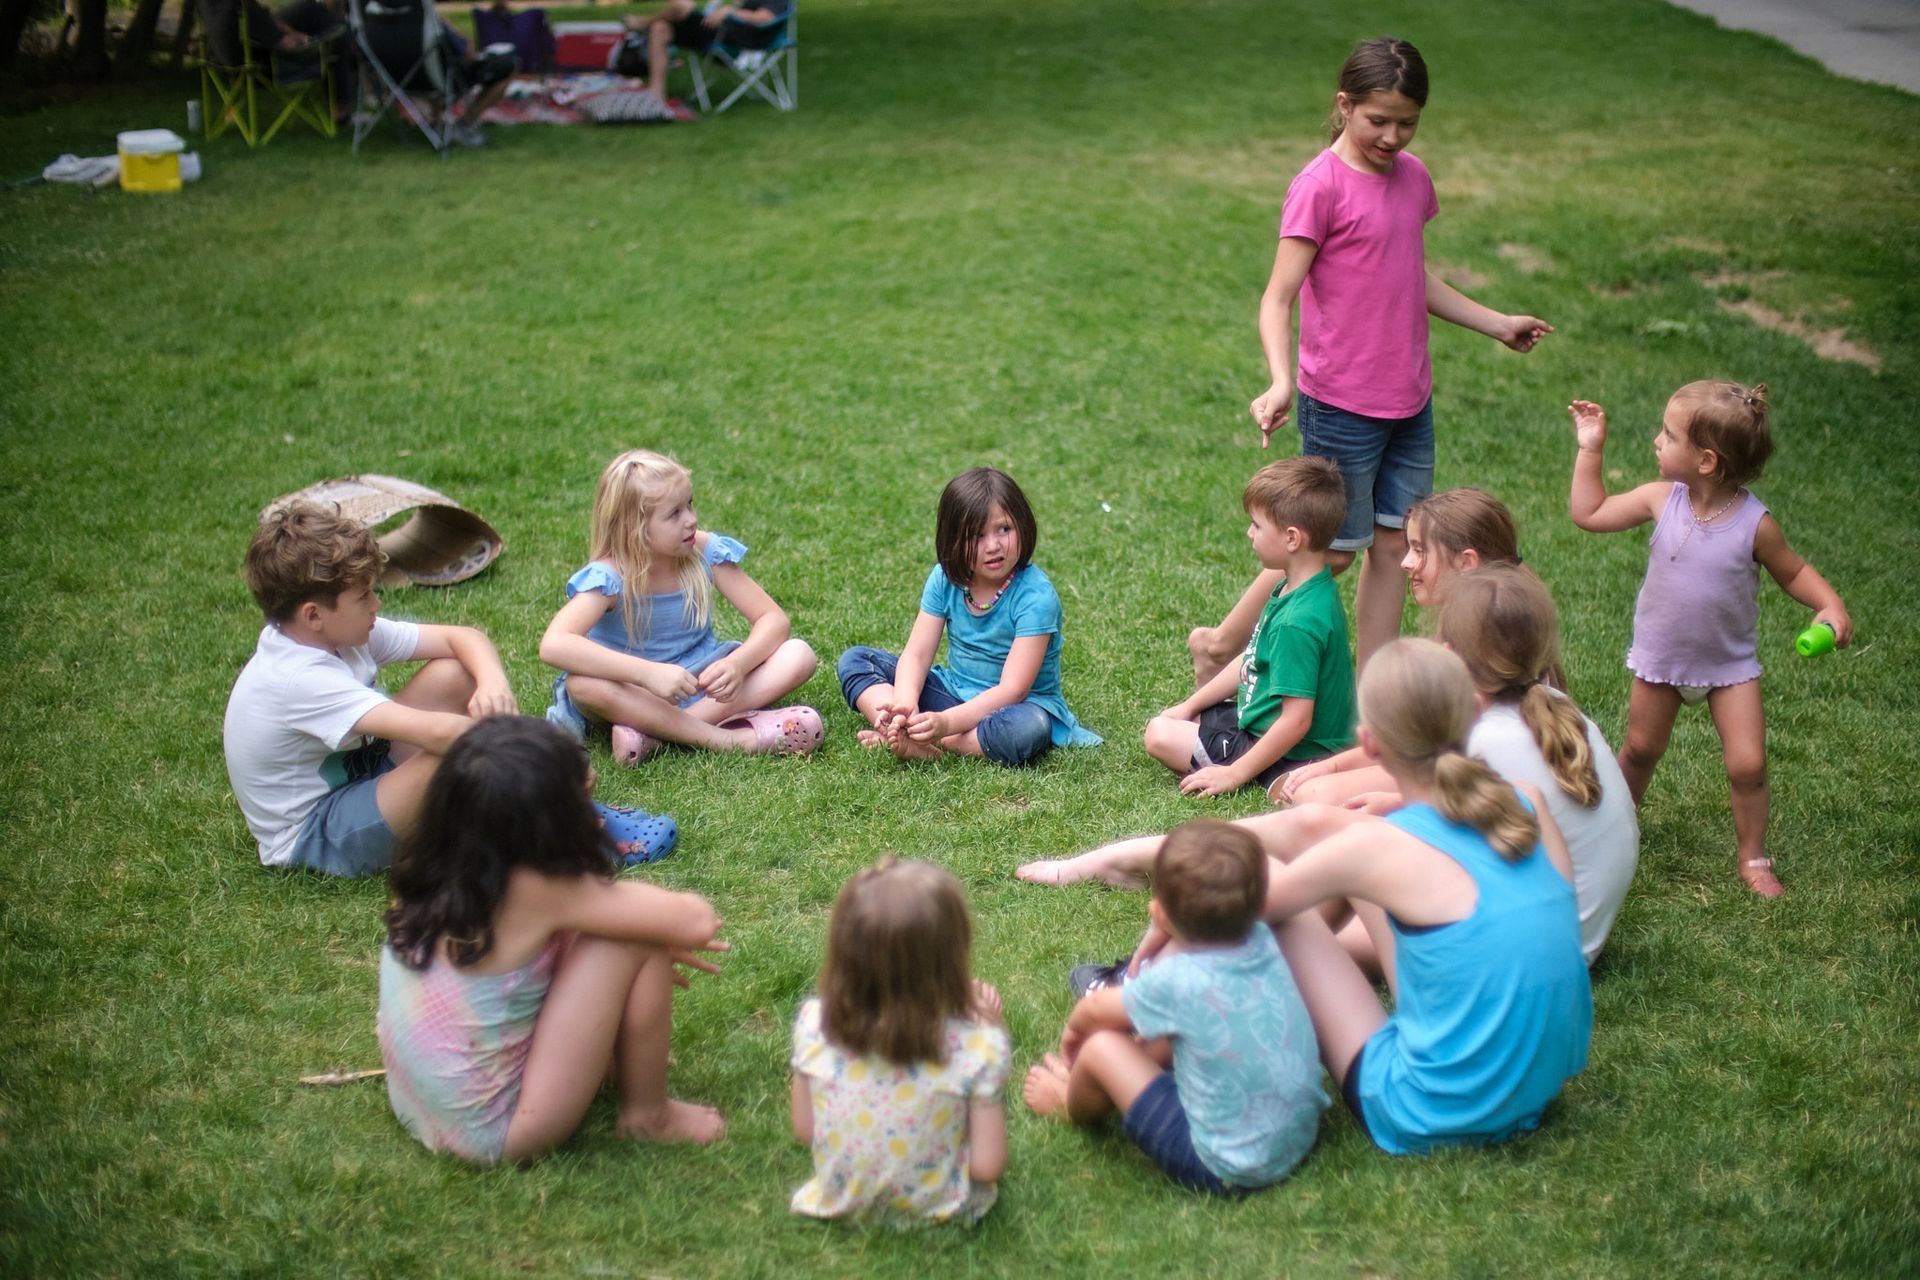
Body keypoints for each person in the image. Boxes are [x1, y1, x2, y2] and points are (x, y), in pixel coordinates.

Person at [1022, 566, 1636, 967]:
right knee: (1333, 830)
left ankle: (1147, 921)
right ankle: (1131, 857)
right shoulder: (1545, 706)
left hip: (1509, 951)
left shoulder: (1490, 738)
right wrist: (1391, 807)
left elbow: (1433, 833)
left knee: (1302, 919)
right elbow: (1480, 812)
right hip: (1555, 942)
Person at [1247, 37, 1552, 673]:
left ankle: (1375, 700)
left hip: (1410, 403)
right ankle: (1227, 646)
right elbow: (1278, 298)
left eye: (1406, 123)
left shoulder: (1413, 179)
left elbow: (1409, 274)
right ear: (1344, 105)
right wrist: (1280, 383)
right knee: (1328, 555)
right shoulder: (1319, 186)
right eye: (1377, 121)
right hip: (1340, 405)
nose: (1392, 136)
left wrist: (1495, 324)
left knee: (1396, 549)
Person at [1249, 639, 1591, 1155]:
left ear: (1370, 744)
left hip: (1426, 1112)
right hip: (1535, 1093)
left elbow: (1245, 904)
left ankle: (1153, 1002)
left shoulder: (1380, 845)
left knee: (1270, 896)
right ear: (1475, 714)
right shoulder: (1529, 804)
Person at [224, 501, 674, 877]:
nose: (377, 604)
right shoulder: (298, 679)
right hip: (318, 833)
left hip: (365, 773)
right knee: (460, 758)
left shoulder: (334, 633)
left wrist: (493, 683)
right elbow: (438, 735)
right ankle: (571, 833)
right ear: (313, 615)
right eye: (364, 597)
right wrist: (547, 758)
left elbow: (465, 639)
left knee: (456, 673)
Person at [377, 717, 727, 1165]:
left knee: (613, 926)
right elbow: (694, 919)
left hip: (419, 1103)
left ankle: (613, 1064)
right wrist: (649, 928)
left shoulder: (432, 870)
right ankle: (649, 1116)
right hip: (498, 1132)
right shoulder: (536, 890)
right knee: (633, 938)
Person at [1568, 382, 1851, 897]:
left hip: (1729, 667)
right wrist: (1591, 449)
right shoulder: (1661, 500)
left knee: (1748, 764)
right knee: (1639, 749)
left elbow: (1793, 572)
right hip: (1662, 659)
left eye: (1668, 435)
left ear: (1705, 461)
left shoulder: (1755, 524)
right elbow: (1590, 514)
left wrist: (1828, 606)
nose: (1656, 440)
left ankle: (1753, 857)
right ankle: (1612, 830)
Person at [1022, 820, 1326, 1195]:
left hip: (1226, 1166)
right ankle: (1132, 1076)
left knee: (1102, 1047)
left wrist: (1074, 1039)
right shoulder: (1262, 939)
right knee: (1179, 1029)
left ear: (1159, 914)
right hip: (1297, 1133)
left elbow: (1097, 1009)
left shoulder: (1180, 981)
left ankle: (1070, 1105)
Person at [542, 449, 822, 765]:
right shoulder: (610, 576)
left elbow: (772, 619)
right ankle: (729, 740)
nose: (691, 519)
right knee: (583, 684)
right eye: (674, 514)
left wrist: (738, 665)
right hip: (635, 693)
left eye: (689, 504)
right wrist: (647, 675)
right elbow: (554, 645)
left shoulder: (702, 551)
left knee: (799, 654)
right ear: (635, 528)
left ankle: (655, 736)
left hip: (703, 683)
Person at [789, 858, 1010, 1226]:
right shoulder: (978, 1047)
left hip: (841, 1200)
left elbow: (805, 1129)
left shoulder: (816, 1024)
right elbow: (987, 1166)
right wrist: (990, 1025)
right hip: (943, 1209)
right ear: (952, 961)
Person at [835, 467, 1101, 766]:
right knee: (856, 660)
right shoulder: (945, 579)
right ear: (952, 541)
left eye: (1004, 529)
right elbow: (918, 655)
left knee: (1029, 730)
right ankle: (900, 726)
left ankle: (931, 740)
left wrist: (945, 724)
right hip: (953, 692)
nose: (993, 545)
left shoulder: (1036, 596)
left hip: (1014, 706)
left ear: (1023, 526)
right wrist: (905, 703)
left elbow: (1013, 689)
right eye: (977, 535)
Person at [1276, 486, 1521, 808]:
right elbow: (1416, 742)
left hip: (1475, 784)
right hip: (1458, 772)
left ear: (1466, 562)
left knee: (1314, 794)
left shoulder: (1484, 638)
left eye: (1420, 550)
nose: (1406, 562)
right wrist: (1331, 765)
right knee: (1311, 785)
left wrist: (1393, 800)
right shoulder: (1481, 617)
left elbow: (1450, 758)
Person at [1145, 457, 1354, 797]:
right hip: (1256, 722)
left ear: (1291, 539)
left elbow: (1296, 721)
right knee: (1171, 722)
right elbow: (1252, 659)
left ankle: (1278, 777)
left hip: (1296, 751)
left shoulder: (1297, 621)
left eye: (1256, 525)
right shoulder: (1304, 587)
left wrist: (1234, 774)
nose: (1249, 532)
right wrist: (1190, 706)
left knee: (1159, 735)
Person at [621, 0, 792, 120]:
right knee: (661, 27)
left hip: (735, 41)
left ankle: (643, 22)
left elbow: (766, 18)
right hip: (715, 32)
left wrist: (730, 12)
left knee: (682, 6)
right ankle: (656, 97)